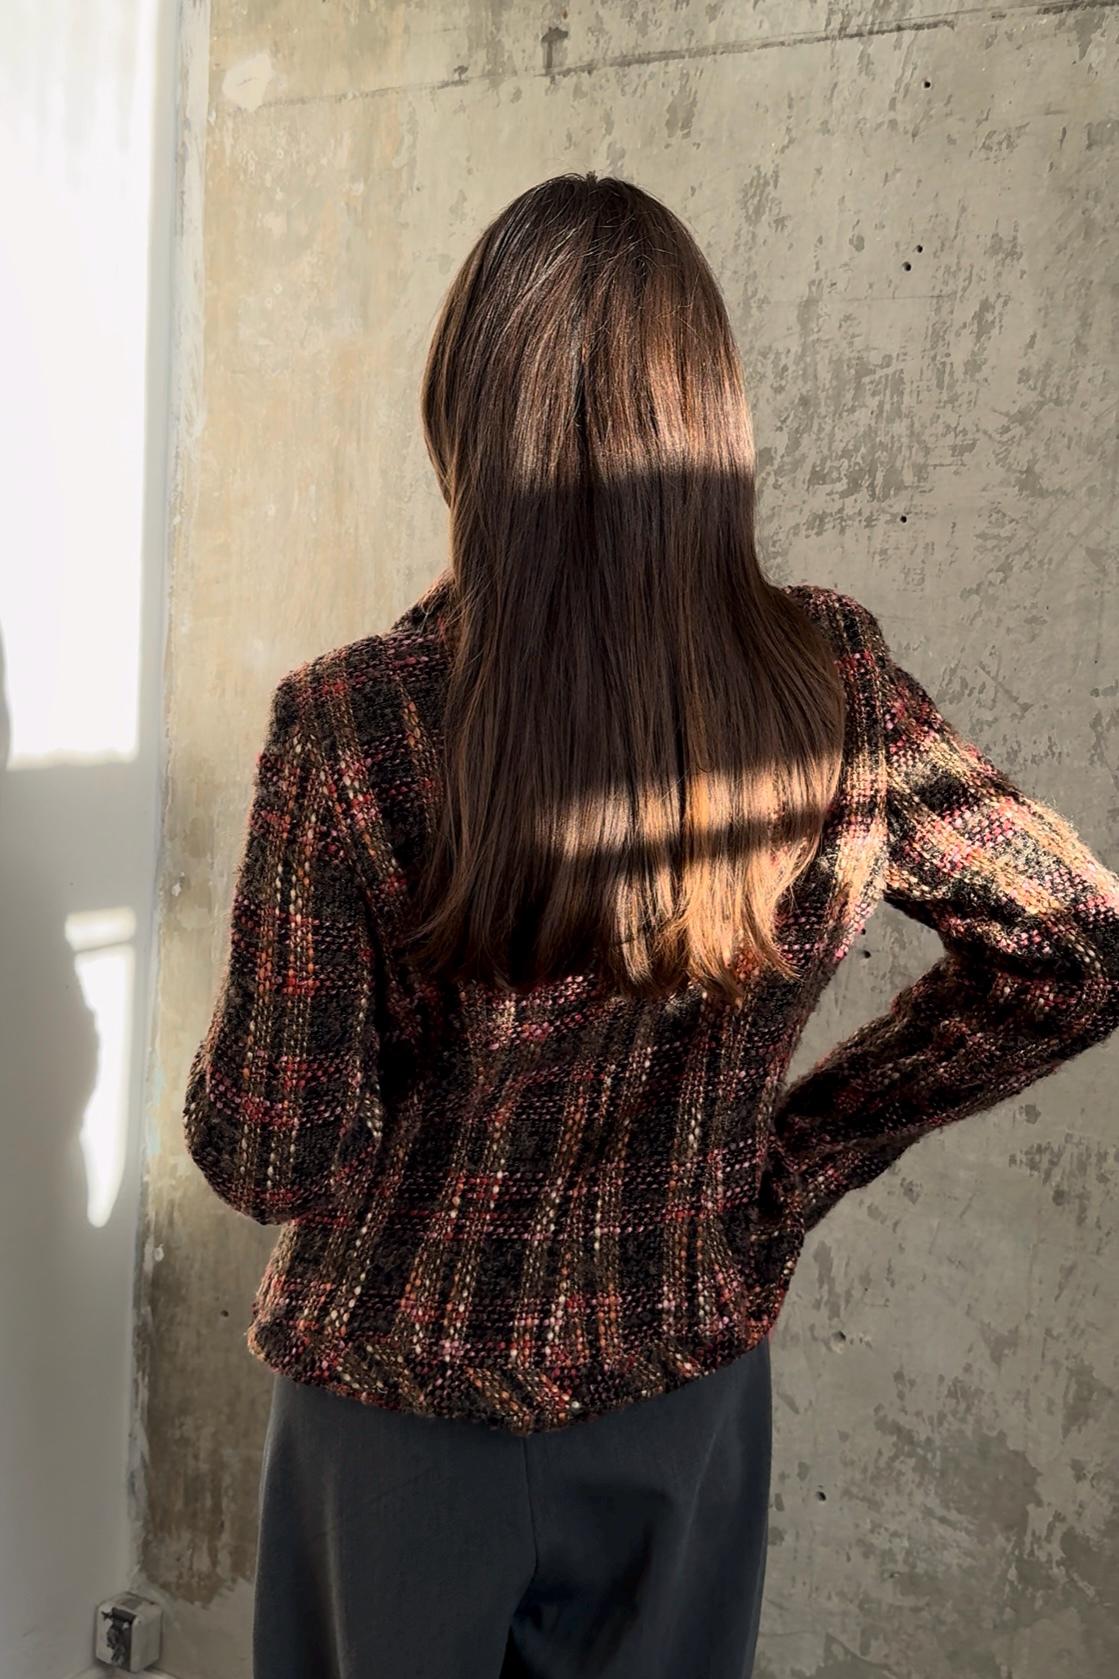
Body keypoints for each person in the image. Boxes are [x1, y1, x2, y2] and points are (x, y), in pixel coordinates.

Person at [182, 173, 1119, 1679]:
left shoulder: (353, 727)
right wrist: (785, 1164)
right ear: (711, 419)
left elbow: (267, 1159)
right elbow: (1081, 948)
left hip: (398, 1423)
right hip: (683, 1396)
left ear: (466, 416)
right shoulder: (838, 692)